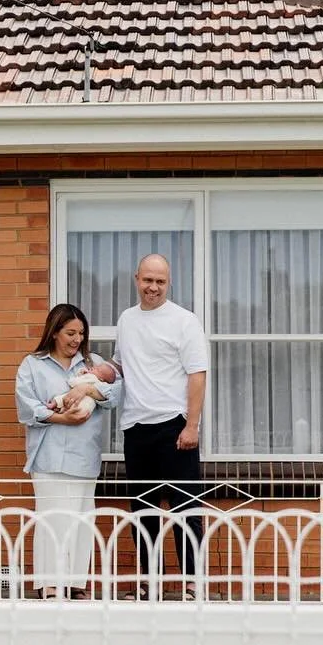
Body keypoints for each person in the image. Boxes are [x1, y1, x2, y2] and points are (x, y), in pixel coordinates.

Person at [113, 254, 209, 597]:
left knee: (186, 508)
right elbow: (121, 364)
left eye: (160, 282)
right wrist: (96, 375)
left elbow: (197, 374)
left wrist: (192, 425)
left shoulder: (184, 321)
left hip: (175, 427)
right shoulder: (126, 320)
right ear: (136, 278)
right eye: (147, 280)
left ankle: (193, 584)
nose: (153, 287)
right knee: (143, 511)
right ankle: (149, 583)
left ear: (169, 283)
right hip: (136, 428)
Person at [15, 304, 121, 598]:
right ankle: (49, 584)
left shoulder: (93, 363)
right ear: (54, 333)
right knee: (51, 520)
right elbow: (27, 408)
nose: (77, 339)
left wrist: (86, 390)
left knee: (80, 521)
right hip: (48, 458)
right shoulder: (32, 365)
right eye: (70, 332)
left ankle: (75, 584)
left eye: (81, 333)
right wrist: (63, 418)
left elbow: (115, 395)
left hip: (83, 456)